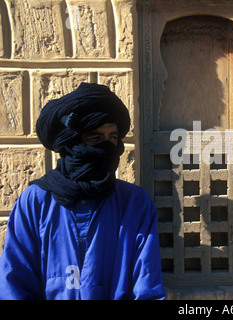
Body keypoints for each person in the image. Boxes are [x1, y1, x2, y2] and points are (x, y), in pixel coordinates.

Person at [0, 82, 166, 300]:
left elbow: (147, 287)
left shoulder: (134, 204)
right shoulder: (35, 202)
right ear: (71, 143)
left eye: (112, 138)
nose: (106, 146)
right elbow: (15, 285)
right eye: (95, 138)